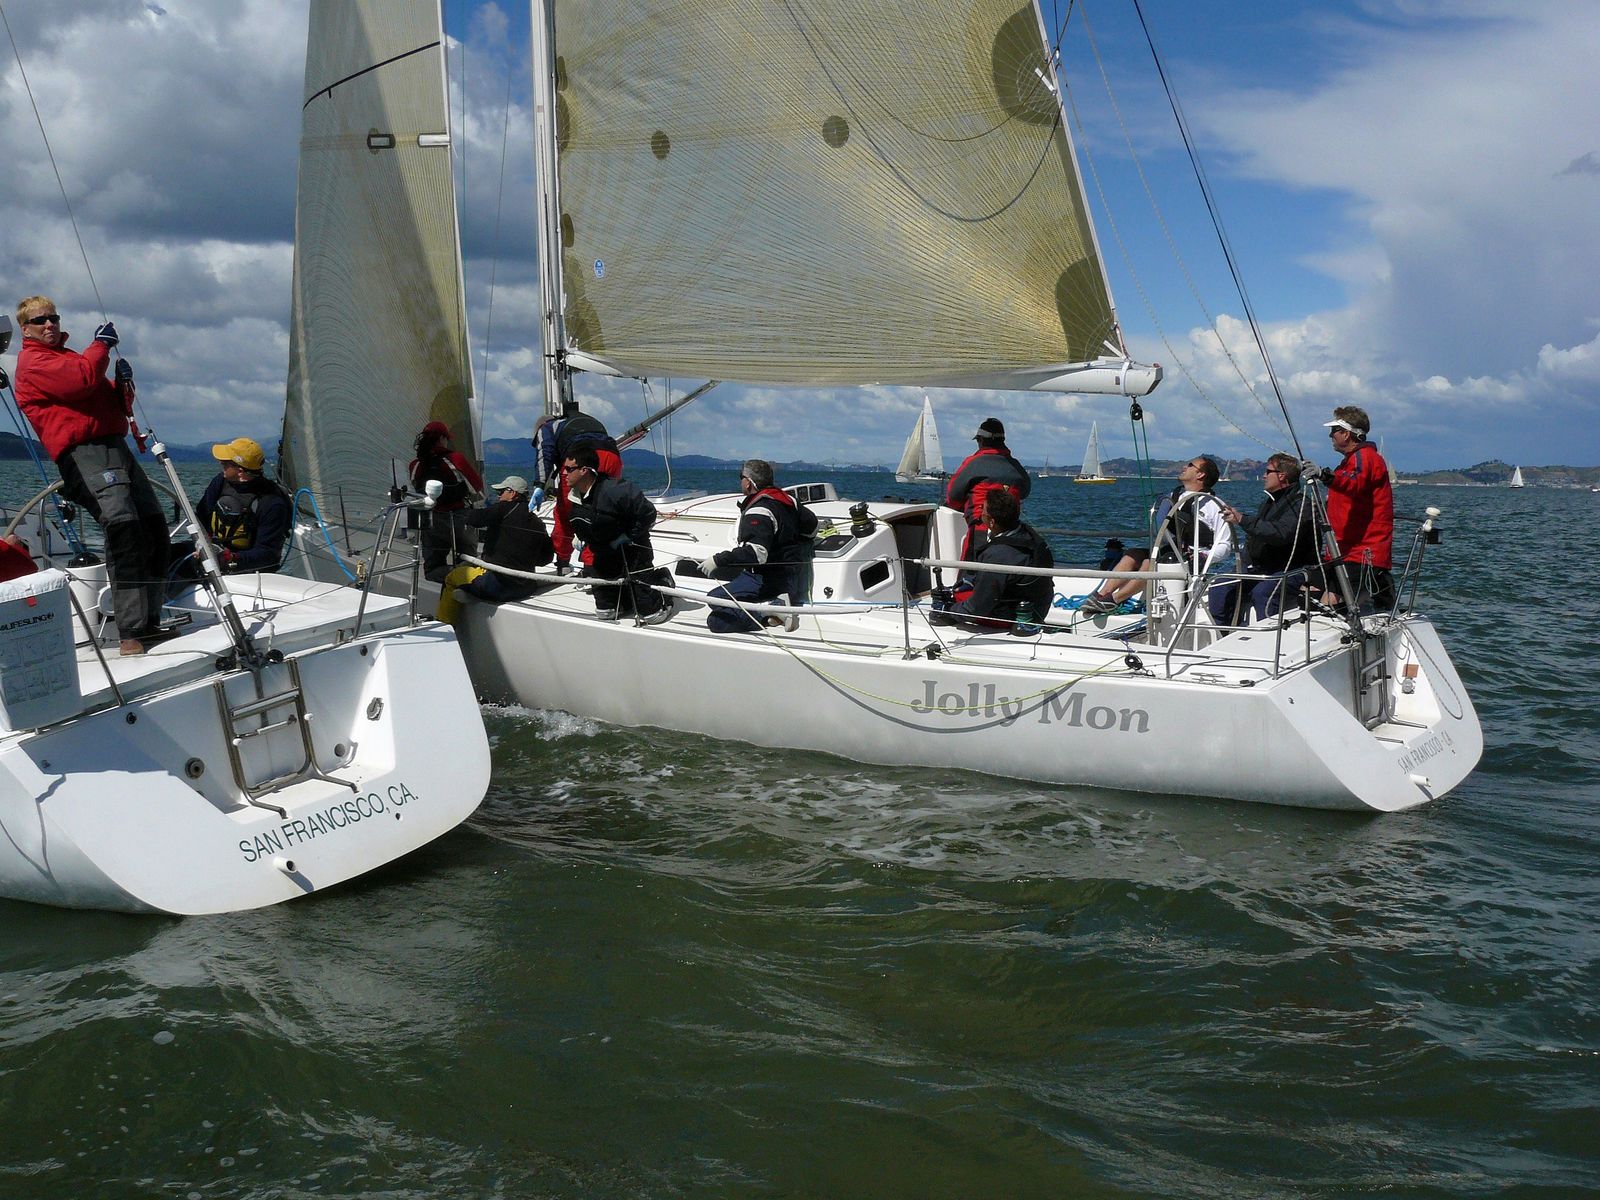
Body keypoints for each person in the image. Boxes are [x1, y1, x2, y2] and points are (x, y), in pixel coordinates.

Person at [12, 296, 169, 655]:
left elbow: (105, 398)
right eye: (40, 321)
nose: (49, 324)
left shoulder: (68, 358)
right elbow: (81, 382)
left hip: (114, 448)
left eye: (53, 318)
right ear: (25, 329)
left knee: (152, 527)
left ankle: (149, 622)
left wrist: (122, 386)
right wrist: (101, 345)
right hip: (85, 455)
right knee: (124, 528)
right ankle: (130, 632)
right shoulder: (34, 362)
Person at [1081, 456, 1232, 615]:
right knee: (1132, 554)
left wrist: (1203, 556)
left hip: (1193, 560)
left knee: (1149, 562)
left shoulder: (1215, 506)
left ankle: (1114, 600)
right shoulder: (1171, 499)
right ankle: (1102, 595)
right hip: (1169, 551)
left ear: (1200, 474)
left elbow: (1225, 546)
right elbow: (1159, 530)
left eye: (1190, 465)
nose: (1184, 467)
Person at [696, 459, 819, 634]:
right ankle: (773, 613)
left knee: (716, 609)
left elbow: (757, 553)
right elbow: (812, 529)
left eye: (741, 477)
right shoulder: (789, 500)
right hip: (794, 577)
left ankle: (768, 609)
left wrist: (718, 560)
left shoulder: (759, 510)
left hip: (767, 579)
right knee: (722, 602)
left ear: (748, 483)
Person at [1211, 454, 1320, 625]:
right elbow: (1260, 534)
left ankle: (1270, 637)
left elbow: (1280, 534)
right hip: (1265, 567)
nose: (1263, 476)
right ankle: (1226, 634)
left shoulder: (1301, 505)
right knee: (1219, 587)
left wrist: (1242, 519)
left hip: (1293, 569)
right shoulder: (1269, 503)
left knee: (1263, 593)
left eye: (1268, 472)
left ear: (1281, 475)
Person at [564, 446, 668, 622]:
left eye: (569, 469)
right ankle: (625, 597)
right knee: (606, 613)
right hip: (603, 556)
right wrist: (580, 537)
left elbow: (648, 513)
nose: (564, 473)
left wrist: (627, 536)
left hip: (632, 553)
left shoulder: (617, 490)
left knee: (652, 615)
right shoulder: (575, 497)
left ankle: (663, 582)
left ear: (584, 470)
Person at [929, 489, 1053, 634]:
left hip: (1010, 616)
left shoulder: (997, 555)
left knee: (957, 599)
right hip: (1038, 608)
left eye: (983, 510)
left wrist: (949, 610)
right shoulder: (1030, 535)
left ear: (991, 522)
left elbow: (977, 607)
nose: (980, 514)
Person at [1318, 405, 1394, 609]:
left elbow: (1353, 482)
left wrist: (1325, 476)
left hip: (1361, 552)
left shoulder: (1365, 458)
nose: (1330, 435)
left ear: (1346, 433)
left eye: (1334, 430)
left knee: (1331, 606)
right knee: (1313, 591)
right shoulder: (1349, 462)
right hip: (1346, 549)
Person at [533, 404, 622, 569]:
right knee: (602, 511)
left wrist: (539, 485)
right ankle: (595, 564)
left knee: (566, 514)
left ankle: (564, 563)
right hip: (612, 457)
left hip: (580, 460)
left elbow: (544, 456)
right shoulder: (585, 421)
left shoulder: (546, 428)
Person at [192, 437, 291, 573]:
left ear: (240, 471)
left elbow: (268, 553)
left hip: (249, 570)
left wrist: (229, 558)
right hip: (212, 553)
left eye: (226, 463)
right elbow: (202, 515)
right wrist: (204, 545)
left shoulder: (272, 503)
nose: (221, 463)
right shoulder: (220, 482)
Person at [454, 475, 554, 604]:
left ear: (513, 493)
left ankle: (448, 616)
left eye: (501, 492)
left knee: (451, 577)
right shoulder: (538, 522)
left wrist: (462, 507)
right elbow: (546, 559)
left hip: (496, 585)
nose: (499, 496)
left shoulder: (503, 508)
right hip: (525, 587)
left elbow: (474, 519)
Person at [944, 417, 1031, 559]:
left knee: (972, 570)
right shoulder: (1016, 467)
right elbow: (1025, 492)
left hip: (981, 531)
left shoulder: (973, 464)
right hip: (1013, 534)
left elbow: (952, 497)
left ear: (981, 441)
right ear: (1003, 441)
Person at [409, 420, 484, 582]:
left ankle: (448, 579)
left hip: (432, 520)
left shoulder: (415, 465)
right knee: (468, 562)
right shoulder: (455, 459)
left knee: (432, 569)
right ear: (442, 438)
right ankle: (463, 579)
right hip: (459, 518)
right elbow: (476, 487)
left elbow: (416, 488)